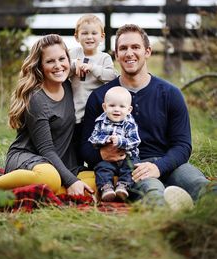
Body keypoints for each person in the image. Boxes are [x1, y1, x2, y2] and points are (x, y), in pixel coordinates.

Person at [80, 24, 213, 209]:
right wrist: (101, 154)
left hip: (169, 163)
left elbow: (183, 145)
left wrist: (159, 167)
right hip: (132, 169)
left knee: (201, 185)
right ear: (116, 55)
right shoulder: (101, 97)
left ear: (147, 51)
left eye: (135, 47)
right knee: (154, 193)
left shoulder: (170, 94)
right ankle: (172, 226)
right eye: (123, 48)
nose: (129, 53)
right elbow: (85, 147)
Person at [0, 34, 95, 197]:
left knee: (101, 180)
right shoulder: (37, 98)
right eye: (50, 61)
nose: (58, 66)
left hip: (62, 163)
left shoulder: (70, 86)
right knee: (50, 178)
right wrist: (71, 180)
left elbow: (94, 67)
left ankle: (57, 190)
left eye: (62, 58)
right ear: (40, 66)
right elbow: (46, 149)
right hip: (29, 159)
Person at [69, 14, 117, 165]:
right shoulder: (73, 54)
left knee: (92, 145)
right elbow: (64, 68)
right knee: (75, 146)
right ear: (77, 37)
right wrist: (74, 65)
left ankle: (94, 170)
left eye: (94, 33)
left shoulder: (104, 58)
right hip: (75, 111)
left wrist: (93, 68)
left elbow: (112, 76)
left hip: (95, 114)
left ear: (102, 37)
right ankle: (76, 171)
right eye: (84, 33)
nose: (89, 37)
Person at [89, 86, 141, 202]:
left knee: (131, 168)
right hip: (108, 160)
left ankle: (123, 186)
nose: (117, 109)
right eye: (112, 106)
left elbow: (135, 140)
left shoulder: (130, 124)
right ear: (104, 107)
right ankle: (106, 188)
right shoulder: (100, 122)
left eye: (122, 106)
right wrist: (105, 139)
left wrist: (121, 141)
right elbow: (93, 138)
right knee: (101, 168)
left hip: (128, 157)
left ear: (129, 109)